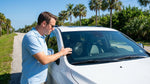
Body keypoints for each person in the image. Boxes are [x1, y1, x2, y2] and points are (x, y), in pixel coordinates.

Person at [20, 11, 72, 84]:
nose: (53, 29)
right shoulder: (31, 37)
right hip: (33, 81)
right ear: (44, 23)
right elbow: (44, 60)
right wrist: (61, 53)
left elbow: (44, 53)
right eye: (52, 26)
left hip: (42, 80)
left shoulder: (42, 37)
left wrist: (51, 51)